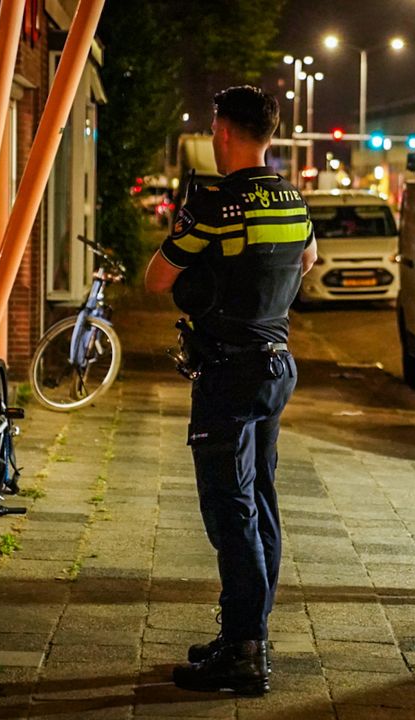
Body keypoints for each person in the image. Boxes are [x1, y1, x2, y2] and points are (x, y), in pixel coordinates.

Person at [144, 85, 317, 695]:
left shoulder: (216, 203)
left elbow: (158, 278)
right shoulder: (294, 198)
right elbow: (307, 260)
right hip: (275, 363)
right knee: (261, 498)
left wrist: (204, 254)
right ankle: (250, 632)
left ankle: (243, 653)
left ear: (222, 132)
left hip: (229, 371)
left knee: (230, 508)